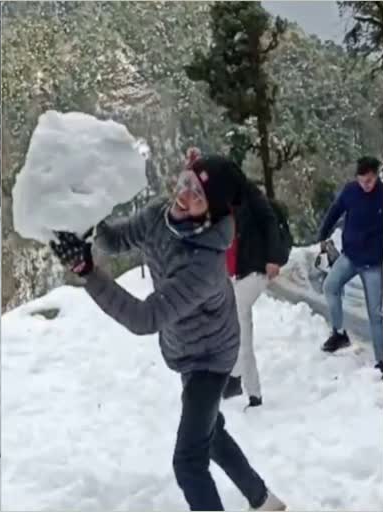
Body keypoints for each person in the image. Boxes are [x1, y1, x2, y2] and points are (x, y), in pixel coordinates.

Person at [50, 155, 285, 511]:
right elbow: (115, 240)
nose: (185, 194)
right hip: (186, 348)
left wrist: (87, 271)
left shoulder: (204, 264)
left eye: (198, 196)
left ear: (211, 213)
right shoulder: (160, 214)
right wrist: (88, 214)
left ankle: (259, 498)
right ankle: (263, 499)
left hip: (212, 358)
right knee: (211, 434)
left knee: (189, 462)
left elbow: (146, 318)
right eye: (186, 181)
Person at [222, 179, 287, 407]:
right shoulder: (222, 206)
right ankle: (253, 393)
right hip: (234, 277)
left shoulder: (250, 204)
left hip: (254, 273)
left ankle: (234, 377)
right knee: (242, 329)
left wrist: (273, 259)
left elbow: (271, 226)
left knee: (238, 324)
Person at [317, 156, 383, 376]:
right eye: (363, 180)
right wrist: (323, 234)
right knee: (330, 286)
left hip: (372, 263)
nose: (366, 184)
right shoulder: (350, 191)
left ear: (377, 176)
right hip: (350, 257)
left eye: (370, 180)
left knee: (374, 314)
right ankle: (339, 333)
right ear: (357, 177)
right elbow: (335, 211)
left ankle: (382, 361)